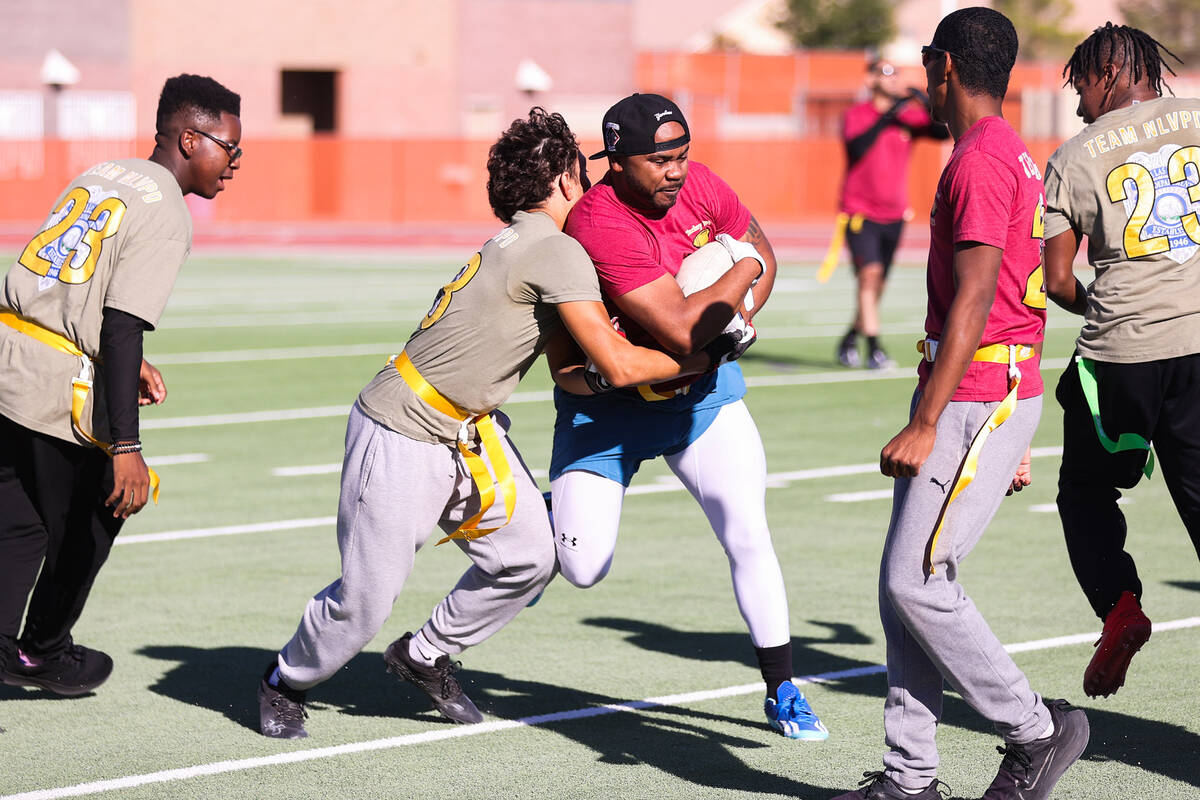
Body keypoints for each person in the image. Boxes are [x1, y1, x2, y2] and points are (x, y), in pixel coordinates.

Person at [257, 108, 751, 739]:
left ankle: (424, 655)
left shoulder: (529, 241)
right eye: (584, 170)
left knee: (528, 556)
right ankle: (285, 679)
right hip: (403, 426)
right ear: (566, 179)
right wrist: (718, 327)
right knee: (365, 600)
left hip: (470, 426)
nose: (596, 187)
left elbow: (572, 373)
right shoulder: (558, 250)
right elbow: (621, 365)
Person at [832, 9, 1090, 800]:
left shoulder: (980, 159)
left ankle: (1036, 728)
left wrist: (926, 421)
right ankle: (911, 779)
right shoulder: (1006, 151)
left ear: (943, 66)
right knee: (901, 584)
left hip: (979, 390)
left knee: (918, 581)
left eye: (923, 59)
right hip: (986, 395)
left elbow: (979, 296)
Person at [547, 93, 829, 742]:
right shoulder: (599, 221)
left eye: (681, 155)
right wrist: (743, 279)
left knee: (748, 532)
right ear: (616, 162)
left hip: (700, 399)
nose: (675, 171)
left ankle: (782, 687)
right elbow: (679, 327)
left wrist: (742, 317)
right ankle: (554, 509)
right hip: (613, 409)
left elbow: (767, 255)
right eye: (658, 160)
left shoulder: (700, 183)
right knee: (583, 567)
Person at [0, 75, 242, 695]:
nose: (235, 165)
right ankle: (44, 651)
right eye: (230, 149)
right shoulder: (166, 211)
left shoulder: (103, 173)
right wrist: (127, 449)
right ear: (190, 139)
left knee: (20, 518)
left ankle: (13, 645)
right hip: (49, 387)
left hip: (7, 354)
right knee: (97, 514)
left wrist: (122, 362)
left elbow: (67, 284)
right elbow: (122, 322)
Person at [1043, 23, 1197, 700]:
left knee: (1085, 491)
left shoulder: (1074, 156)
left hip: (1122, 356)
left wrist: (1107, 306)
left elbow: (1055, 279)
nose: (1078, 102)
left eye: (1080, 83)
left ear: (1108, 70)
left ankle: (1120, 607)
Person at [832, 57, 949, 370]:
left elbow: (942, 134)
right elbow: (857, 148)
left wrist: (925, 103)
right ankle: (874, 349)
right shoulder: (857, 115)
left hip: (895, 215)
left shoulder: (907, 119)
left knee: (877, 285)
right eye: (885, 72)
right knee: (869, 278)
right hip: (860, 213)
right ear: (870, 80)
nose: (893, 78)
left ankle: (848, 338)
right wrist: (890, 115)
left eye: (895, 72)